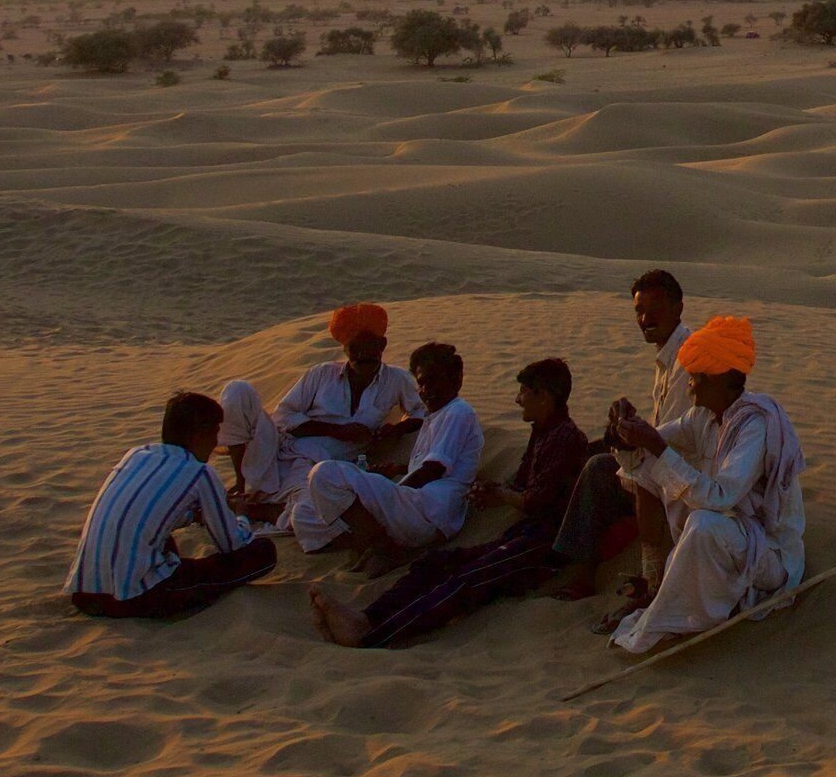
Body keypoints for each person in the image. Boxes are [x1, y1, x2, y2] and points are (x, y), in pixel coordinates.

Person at [314, 355, 608, 648]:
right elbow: (522, 485)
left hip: (543, 544)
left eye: (524, 393)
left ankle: (371, 634)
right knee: (437, 564)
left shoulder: (566, 437)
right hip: (522, 534)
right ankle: (368, 616)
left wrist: (501, 495)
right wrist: (493, 491)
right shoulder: (544, 433)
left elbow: (537, 502)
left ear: (543, 397)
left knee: (466, 580)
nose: (518, 400)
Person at [602, 315, 805, 654]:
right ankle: (671, 609)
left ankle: (675, 621)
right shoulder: (703, 418)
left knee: (703, 520)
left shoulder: (754, 426)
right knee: (668, 478)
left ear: (722, 380)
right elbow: (647, 448)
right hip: (735, 543)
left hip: (769, 557)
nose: (690, 386)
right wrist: (624, 428)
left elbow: (720, 496)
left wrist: (654, 445)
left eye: (696, 378)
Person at [539, 270, 685, 600]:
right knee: (593, 453)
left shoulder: (684, 359)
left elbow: (673, 438)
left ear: (678, 307)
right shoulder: (668, 354)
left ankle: (585, 572)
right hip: (665, 458)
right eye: (639, 310)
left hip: (680, 472)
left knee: (598, 471)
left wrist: (629, 436)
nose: (646, 318)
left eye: (655, 308)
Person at [65, 391, 276, 619]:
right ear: (201, 435)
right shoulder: (200, 472)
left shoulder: (136, 454)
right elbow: (232, 545)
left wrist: (197, 515)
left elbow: (150, 511)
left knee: (161, 540)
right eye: (215, 433)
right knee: (262, 553)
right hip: (132, 598)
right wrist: (240, 515)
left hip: (84, 591)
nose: (216, 443)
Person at [219, 302, 421, 519]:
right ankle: (242, 484)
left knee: (314, 511)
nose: (363, 355)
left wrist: (397, 429)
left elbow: (421, 412)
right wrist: (339, 431)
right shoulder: (321, 374)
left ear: (382, 345)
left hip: (319, 468)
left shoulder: (397, 379)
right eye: (355, 348)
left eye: (370, 347)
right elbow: (284, 416)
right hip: (278, 449)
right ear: (343, 348)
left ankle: (250, 508)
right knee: (237, 391)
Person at [287, 341, 477, 566]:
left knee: (325, 473)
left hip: (428, 513)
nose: (426, 390)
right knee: (305, 514)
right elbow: (436, 466)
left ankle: (384, 548)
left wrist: (388, 492)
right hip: (417, 510)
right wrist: (394, 473)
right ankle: (372, 543)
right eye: (421, 383)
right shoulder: (436, 415)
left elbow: (433, 470)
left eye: (434, 381)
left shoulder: (457, 411)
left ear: (457, 379)